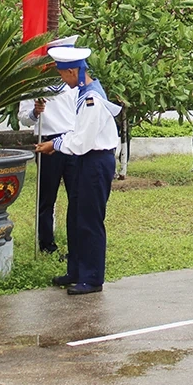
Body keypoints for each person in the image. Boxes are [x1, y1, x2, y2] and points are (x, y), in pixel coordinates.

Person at [35, 44, 121, 295]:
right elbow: (78, 132)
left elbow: (83, 141)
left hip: (95, 161)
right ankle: (76, 270)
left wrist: (56, 144)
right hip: (86, 159)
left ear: (73, 72)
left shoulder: (91, 98)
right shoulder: (85, 93)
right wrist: (58, 145)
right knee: (75, 217)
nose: (62, 80)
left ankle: (92, 277)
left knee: (90, 220)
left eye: (62, 75)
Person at [20, 36, 80, 257]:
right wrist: (36, 112)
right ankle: (46, 245)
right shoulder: (36, 86)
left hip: (72, 142)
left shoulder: (77, 84)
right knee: (46, 197)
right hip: (48, 141)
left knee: (77, 197)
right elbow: (24, 119)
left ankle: (76, 244)